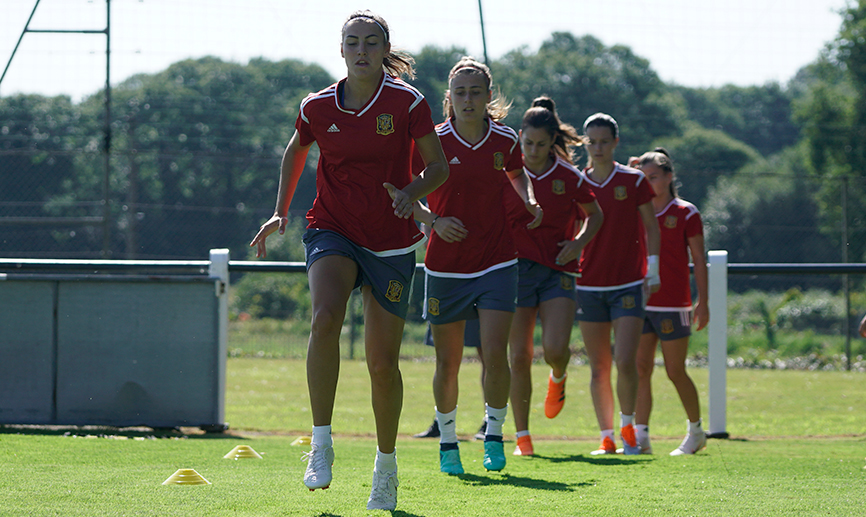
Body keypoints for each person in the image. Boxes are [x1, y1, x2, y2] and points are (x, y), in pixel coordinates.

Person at [249, 10, 448, 511]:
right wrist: (279, 213)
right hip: (331, 227)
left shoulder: (408, 103)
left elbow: (438, 168)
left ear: (385, 50)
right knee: (324, 318)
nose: (361, 50)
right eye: (352, 42)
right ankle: (320, 443)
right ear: (341, 51)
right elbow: (296, 152)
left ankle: (386, 468)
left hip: (392, 241)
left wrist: (410, 194)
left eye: (371, 42)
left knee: (382, 364)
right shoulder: (317, 106)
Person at [413, 56, 543, 474]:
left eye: (475, 92)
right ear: (450, 98)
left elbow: (518, 173)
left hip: (497, 263)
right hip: (445, 266)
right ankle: (448, 443)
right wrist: (434, 221)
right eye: (460, 92)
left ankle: (494, 436)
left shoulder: (505, 140)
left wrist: (529, 197)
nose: (468, 99)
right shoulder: (431, 141)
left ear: (489, 96)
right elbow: (402, 194)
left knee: (494, 352)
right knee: (447, 362)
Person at [504, 96, 603, 456]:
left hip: (557, 270)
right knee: (519, 355)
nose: (532, 150)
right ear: (519, 137)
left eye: (541, 144)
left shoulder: (568, 176)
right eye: (527, 143)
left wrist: (577, 244)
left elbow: (596, 215)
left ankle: (558, 377)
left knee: (555, 350)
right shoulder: (508, 173)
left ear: (552, 143)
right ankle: (522, 437)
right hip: (514, 270)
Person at [575, 113, 661, 456]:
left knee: (626, 361)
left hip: (627, 284)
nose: (597, 148)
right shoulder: (577, 182)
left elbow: (651, 228)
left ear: (616, 143)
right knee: (599, 367)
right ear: (585, 143)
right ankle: (606, 437)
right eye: (591, 141)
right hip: (588, 284)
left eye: (604, 141)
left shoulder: (634, 180)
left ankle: (629, 432)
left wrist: (652, 270)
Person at [633, 148, 709, 456]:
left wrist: (702, 301)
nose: (648, 183)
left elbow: (699, 260)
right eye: (643, 178)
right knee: (639, 368)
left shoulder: (686, 213)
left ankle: (696, 431)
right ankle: (640, 436)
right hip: (640, 301)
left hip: (674, 303)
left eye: (653, 177)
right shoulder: (637, 210)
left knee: (675, 370)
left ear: (668, 177)